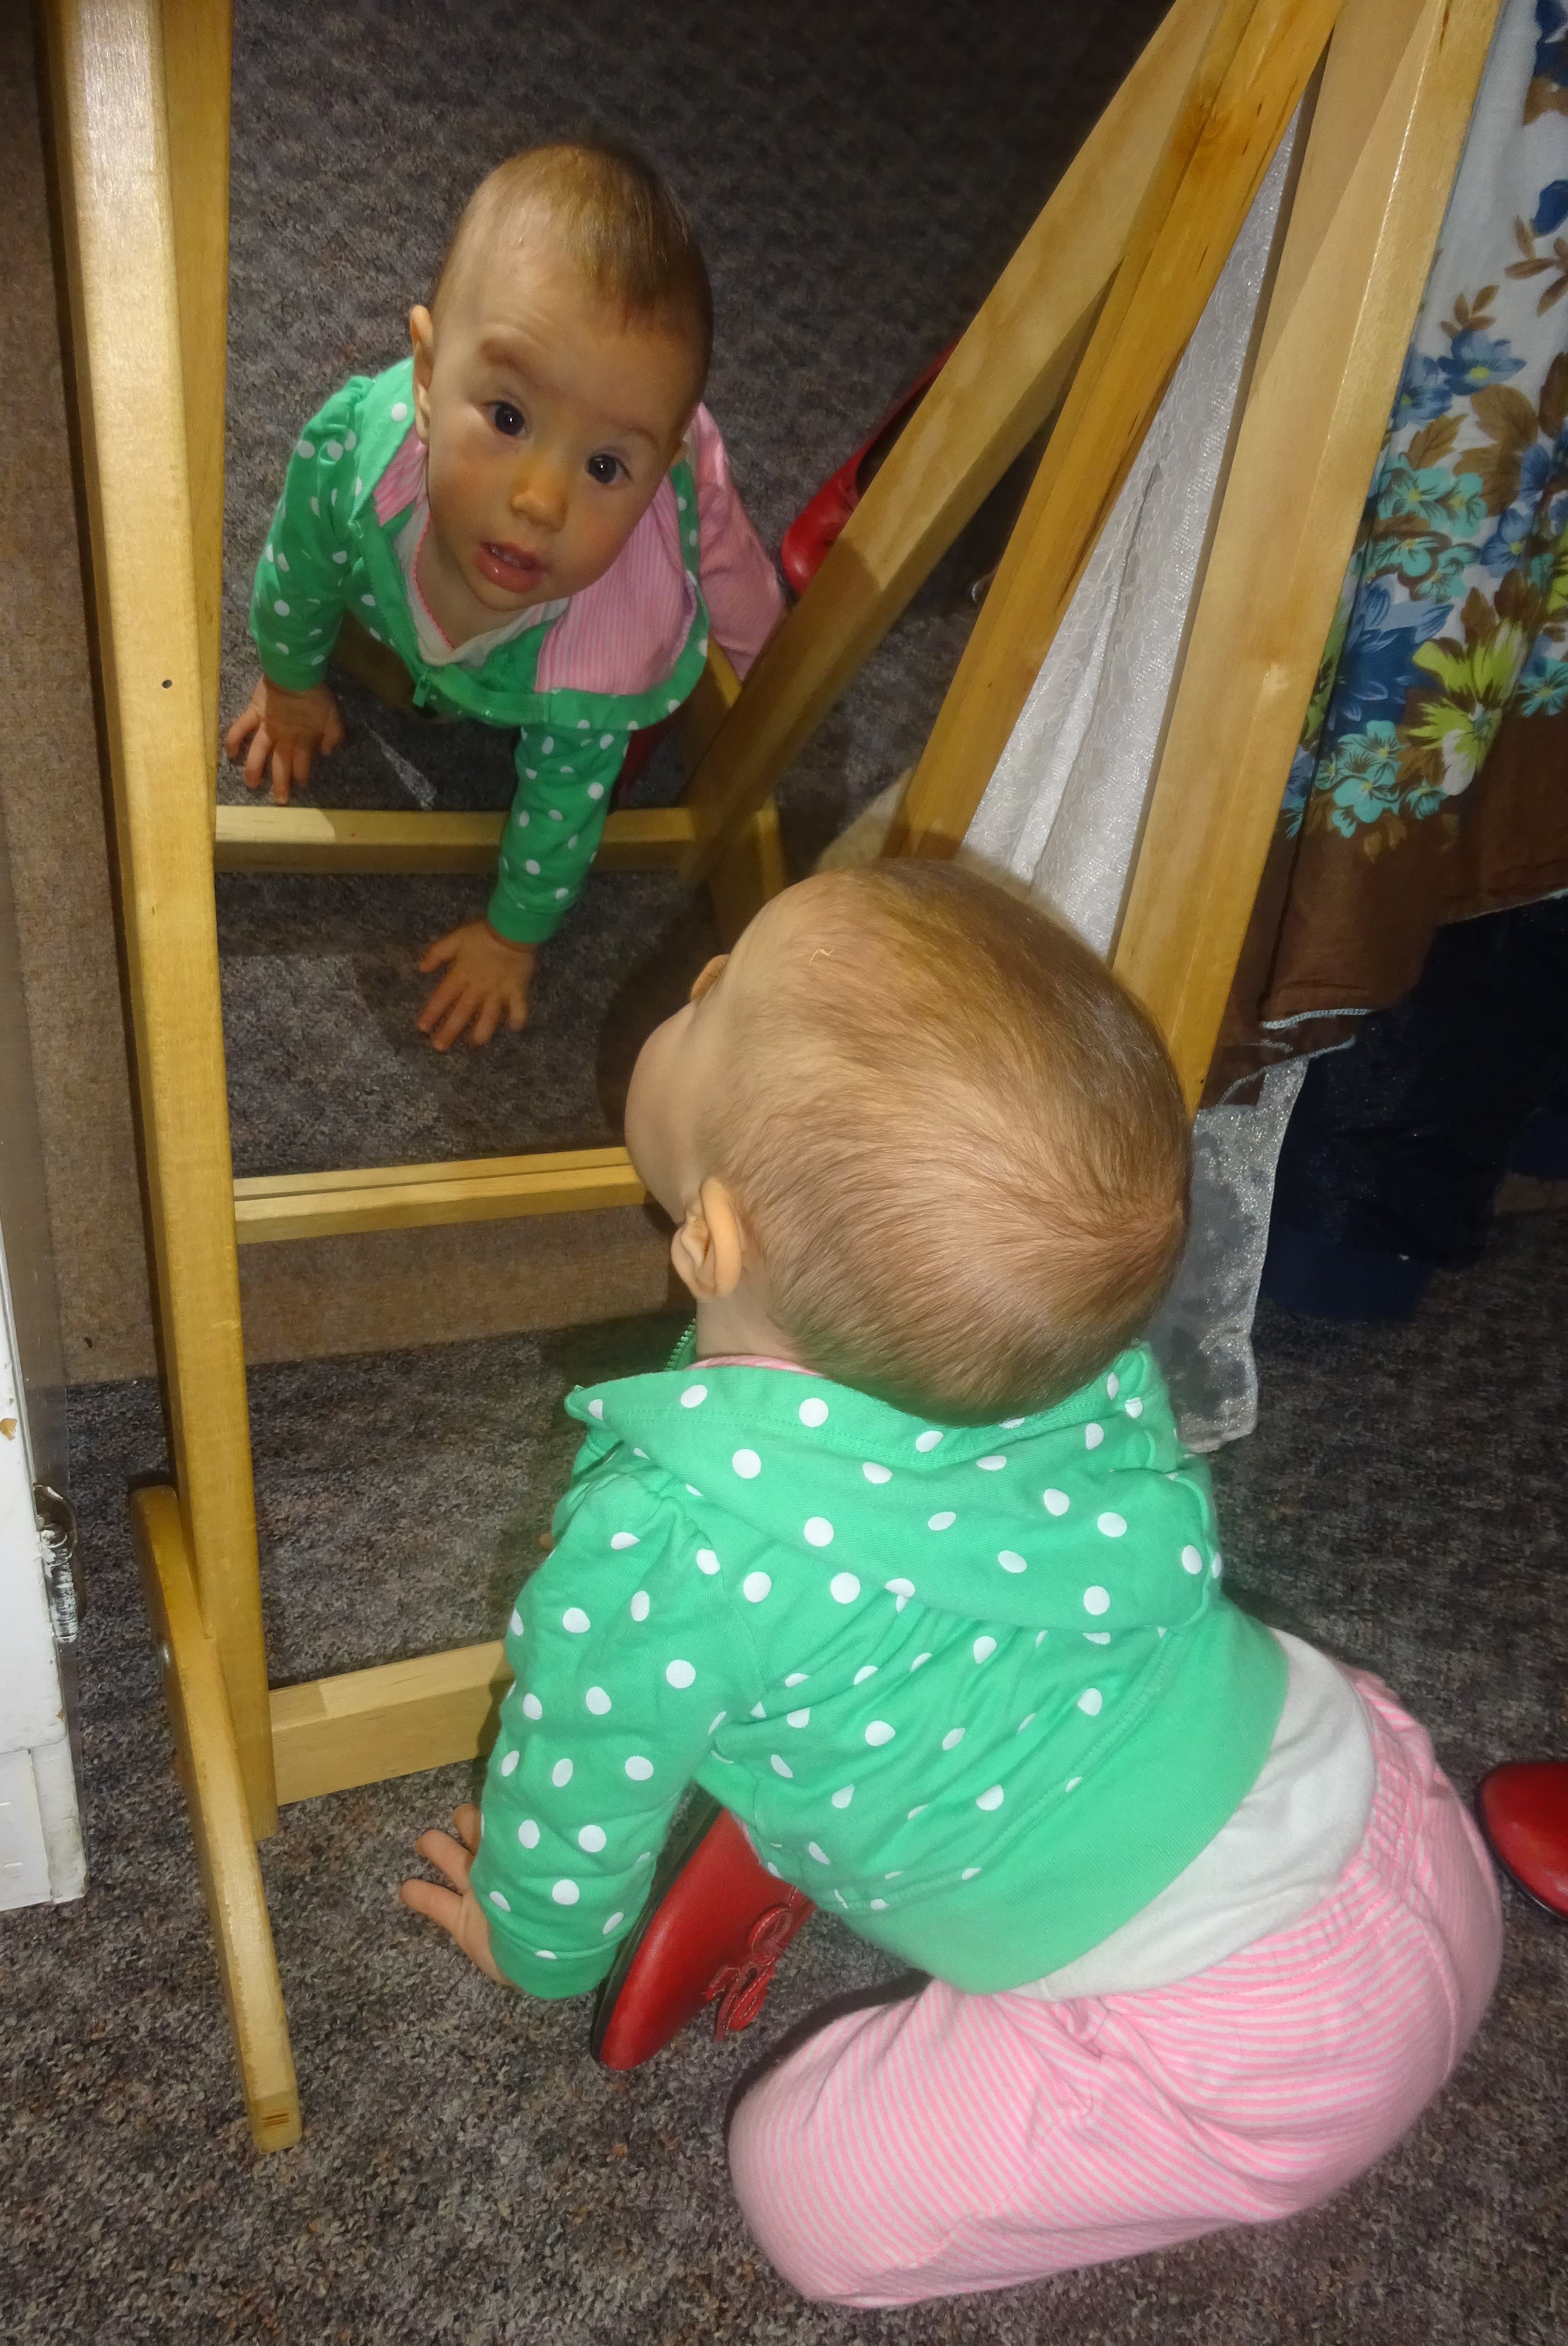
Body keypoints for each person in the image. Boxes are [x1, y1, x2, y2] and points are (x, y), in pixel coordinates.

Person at [401, 865, 1503, 2307]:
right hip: (1394, 1804)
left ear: (710, 1242)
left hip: (1243, 2058)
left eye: (713, 997)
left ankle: (1068, 2080)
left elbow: (576, 1781)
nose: (703, 972)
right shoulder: (1069, 1358)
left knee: (802, 2191)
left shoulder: (661, 1547)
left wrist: (532, 1941)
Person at [224, 141, 784, 1050]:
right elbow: (299, 570)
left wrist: (513, 936)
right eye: (509, 418)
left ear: (653, 471)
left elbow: (565, 808)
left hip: (685, 497)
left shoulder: (601, 644)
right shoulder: (358, 464)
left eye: (604, 467)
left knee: (750, 627)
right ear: (426, 376)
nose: (541, 501)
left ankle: (722, 561)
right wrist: (291, 684)